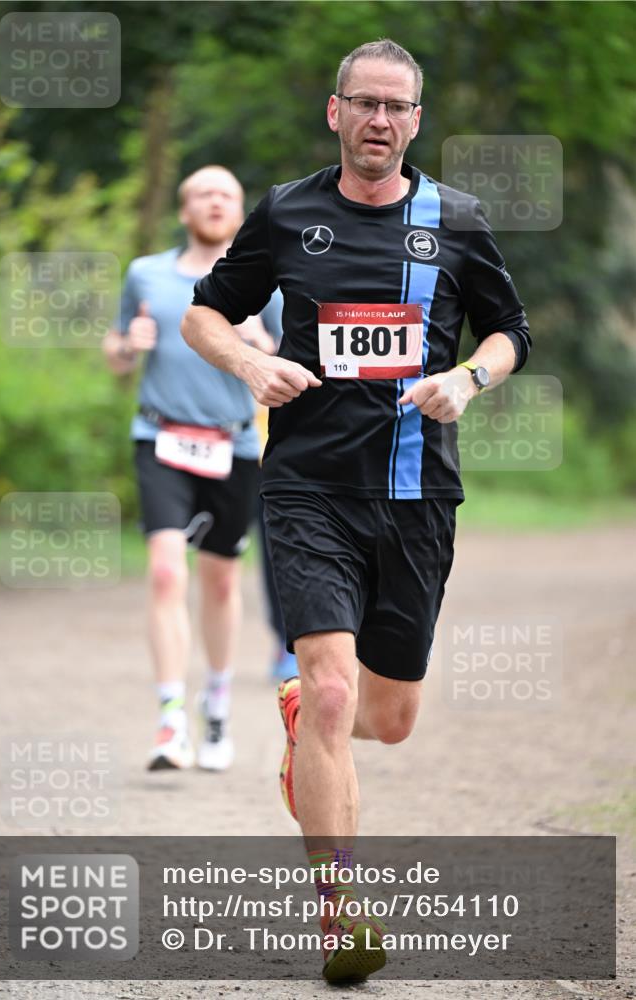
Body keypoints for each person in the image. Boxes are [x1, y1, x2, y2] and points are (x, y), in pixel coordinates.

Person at [181, 40, 530, 983]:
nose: (379, 120)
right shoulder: (288, 212)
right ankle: (340, 915)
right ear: (334, 113)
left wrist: (467, 375)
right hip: (305, 488)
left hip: (417, 496)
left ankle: (303, 715)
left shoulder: (456, 220)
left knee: (387, 716)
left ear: (416, 121)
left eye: (397, 107)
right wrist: (250, 363)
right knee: (334, 693)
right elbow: (203, 313)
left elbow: (511, 331)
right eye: (363, 104)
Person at [103, 165, 282, 773]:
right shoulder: (145, 274)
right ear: (184, 211)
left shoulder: (266, 282)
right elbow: (116, 352)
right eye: (203, 194)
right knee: (163, 575)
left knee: (222, 582)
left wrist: (261, 343)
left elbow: (286, 370)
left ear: (240, 213)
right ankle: (169, 717)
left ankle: (219, 704)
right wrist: (130, 346)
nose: (214, 202)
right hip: (160, 438)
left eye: (227, 195)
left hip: (232, 447)